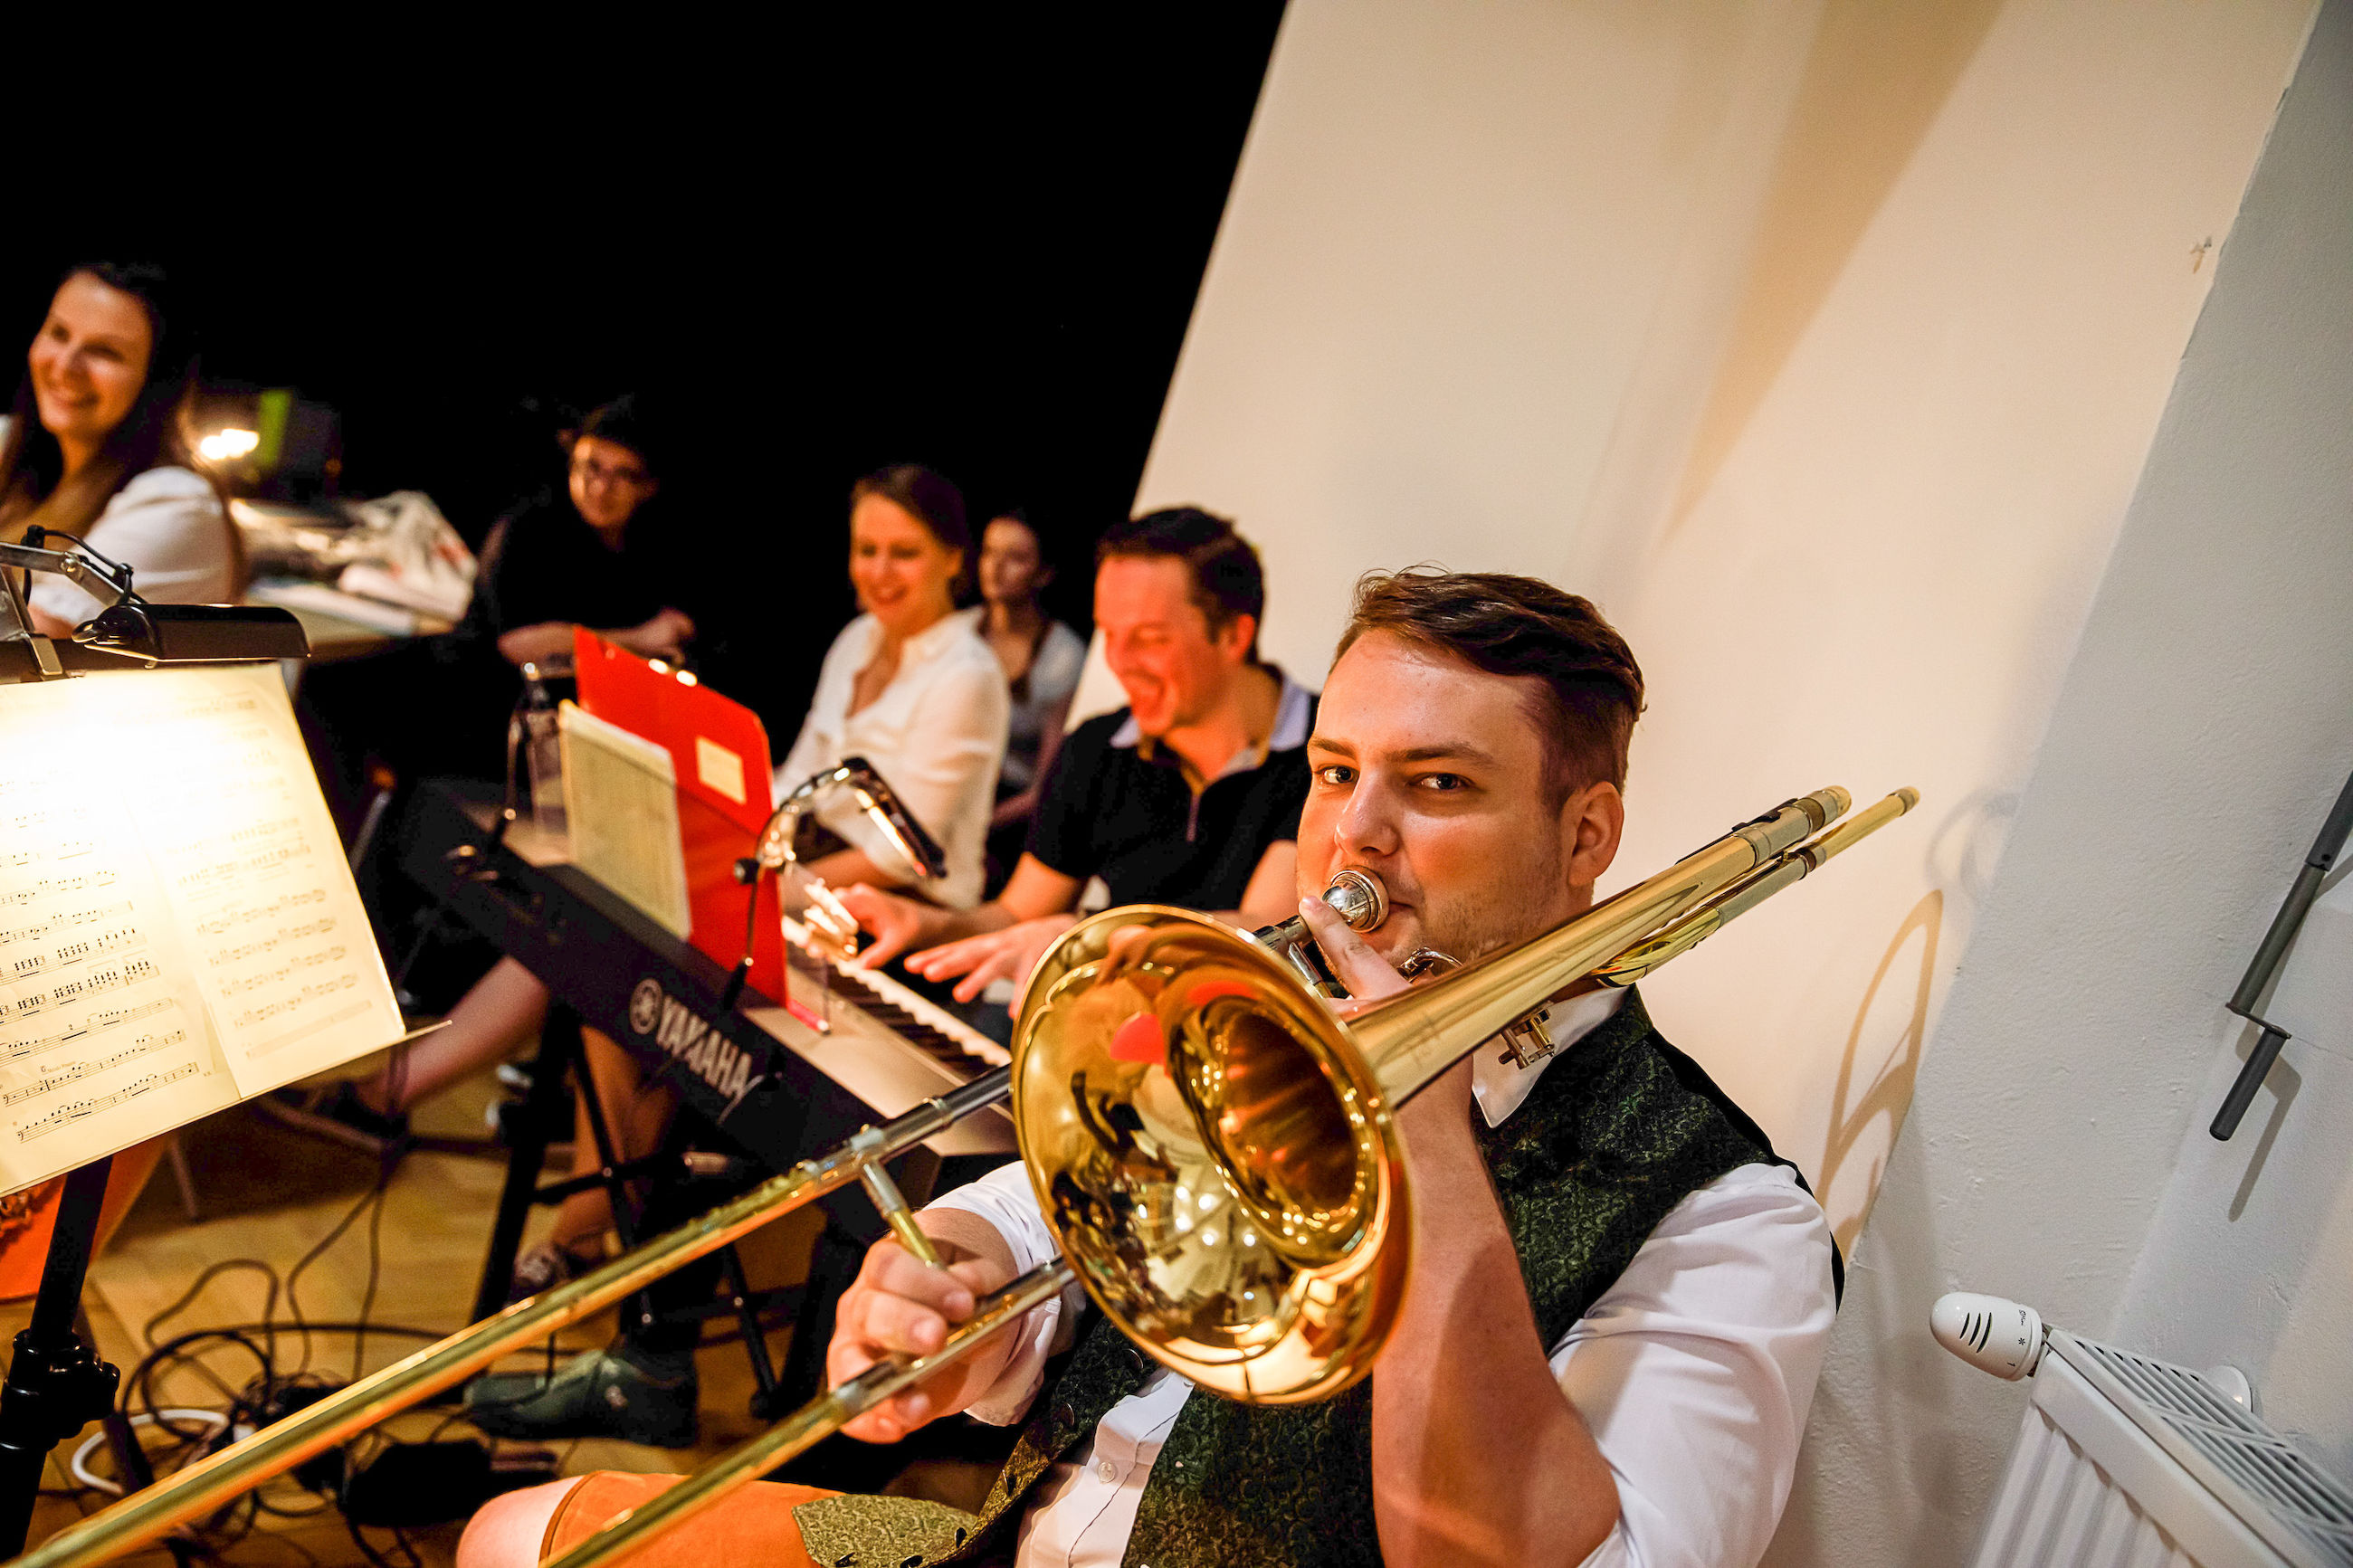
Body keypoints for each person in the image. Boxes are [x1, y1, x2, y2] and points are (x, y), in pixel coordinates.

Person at [460, 569, 1839, 1568]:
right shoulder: (1262, 1014)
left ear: (1587, 834)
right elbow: (1044, 1208)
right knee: (524, 1532)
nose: (1354, 836)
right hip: (994, 1543)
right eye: (1335, 772)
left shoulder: (1725, 1218)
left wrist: (1422, 1131)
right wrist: (954, 1290)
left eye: (1437, 785)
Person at [445, 464, 1009, 1447]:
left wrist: (759, 883)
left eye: (904, 553)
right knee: (622, 989)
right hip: (794, 890)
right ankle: (613, 1259)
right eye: (866, 549)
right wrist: (727, 853)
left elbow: (897, 849)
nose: (879, 570)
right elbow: (791, 781)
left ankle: (621, 1287)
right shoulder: (856, 640)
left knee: (696, 1044)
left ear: (953, 560)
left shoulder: (966, 673)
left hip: (891, 924)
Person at [837, 506, 1309, 1003]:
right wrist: (924, 923)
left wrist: (1087, 934)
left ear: (1234, 635)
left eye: (1149, 639)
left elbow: (1263, 929)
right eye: (1109, 634)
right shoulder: (1097, 748)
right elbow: (1017, 915)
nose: (1119, 662)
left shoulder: (1329, 755)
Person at [0, 261, 242, 628]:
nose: (65, 366)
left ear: (157, 381)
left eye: (105, 352)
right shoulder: (12, 449)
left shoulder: (174, 503)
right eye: (59, 333)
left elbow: (27, 639)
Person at [973, 510, 1086, 890]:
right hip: (954, 784)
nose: (995, 568)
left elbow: (1044, 787)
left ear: (1043, 573)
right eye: (989, 552)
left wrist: (979, 823)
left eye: (1016, 558)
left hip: (1009, 810)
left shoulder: (1062, 655)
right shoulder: (959, 631)